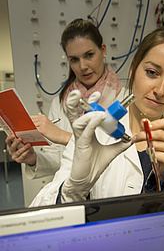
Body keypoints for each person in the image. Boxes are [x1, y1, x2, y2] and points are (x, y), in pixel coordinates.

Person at [30, 26, 164, 207]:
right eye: (152, 73)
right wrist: (75, 188)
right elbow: (40, 212)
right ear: (133, 70)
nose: (160, 91)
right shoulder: (94, 134)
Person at [5, 18, 122, 179]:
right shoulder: (60, 103)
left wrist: (62, 136)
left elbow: (124, 155)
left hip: (112, 193)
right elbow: (58, 158)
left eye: (89, 55)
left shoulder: (123, 98)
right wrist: (33, 159)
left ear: (103, 50)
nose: (82, 66)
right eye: (74, 59)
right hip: (74, 193)